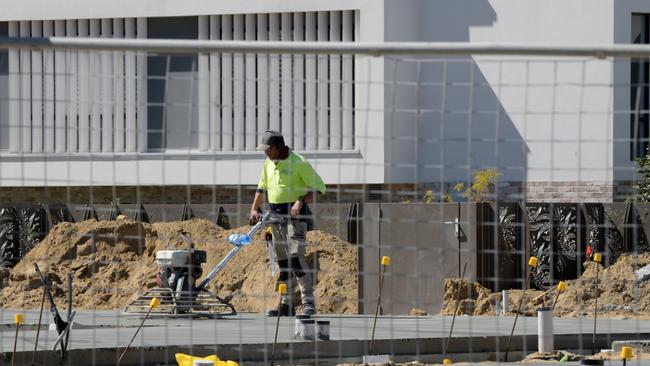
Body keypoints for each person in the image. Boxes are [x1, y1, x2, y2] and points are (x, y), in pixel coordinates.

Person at [250, 130, 326, 316]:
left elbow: (319, 187)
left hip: (294, 219)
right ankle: (286, 304)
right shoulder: (268, 163)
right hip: (274, 218)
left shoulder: (298, 162)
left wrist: (301, 201)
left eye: (267, 149)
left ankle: (308, 303)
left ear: (277, 147)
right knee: (283, 263)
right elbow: (262, 187)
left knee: (296, 260)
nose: (265, 152)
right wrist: (254, 208)